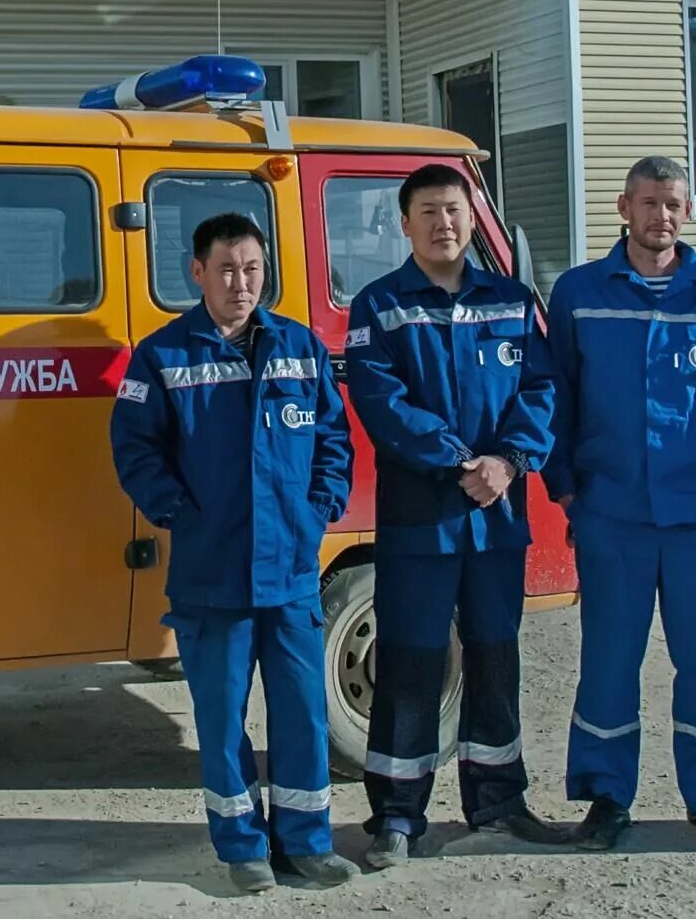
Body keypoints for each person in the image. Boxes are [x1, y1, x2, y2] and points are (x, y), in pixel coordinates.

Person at [109, 212, 358, 893]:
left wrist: (318, 509)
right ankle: (243, 846)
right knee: (221, 720)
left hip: (291, 572)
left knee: (303, 714)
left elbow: (335, 442)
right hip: (210, 572)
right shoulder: (163, 356)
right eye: (225, 268)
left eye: (251, 268)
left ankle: (307, 842)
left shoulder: (300, 347)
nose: (240, 282)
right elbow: (134, 450)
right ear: (197, 273)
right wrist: (178, 514)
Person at [545, 155, 696, 852]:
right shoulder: (581, 294)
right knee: (609, 661)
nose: (660, 216)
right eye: (647, 202)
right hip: (612, 512)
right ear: (623, 207)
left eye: (673, 203)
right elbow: (558, 397)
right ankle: (606, 796)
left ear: (688, 211)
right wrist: (568, 490)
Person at [343, 162, 570, 866]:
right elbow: (382, 403)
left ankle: (499, 801)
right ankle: (398, 817)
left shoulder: (511, 300)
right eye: (429, 212)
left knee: (496, 658)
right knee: (409, 664)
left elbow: (542, 388)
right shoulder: (378, 307)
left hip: (497, 516)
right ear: (405, 225)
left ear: (474, 220)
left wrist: (507, 461)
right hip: (422, 519)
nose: (444, 223)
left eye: (455, 210)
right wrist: (458, 461)